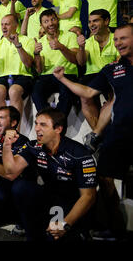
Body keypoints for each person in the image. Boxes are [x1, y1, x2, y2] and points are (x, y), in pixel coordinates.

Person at [53, 24, 133, 240]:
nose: (118, 43)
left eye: (124, 39)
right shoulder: (112, 69)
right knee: (105, 178)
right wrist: (63, 79)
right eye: (116, 40)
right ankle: (118, 231)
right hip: (120, 133)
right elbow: (88, 91)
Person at [1, 107, 97, 241]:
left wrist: (65, 224)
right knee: (20, 187)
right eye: (36, 124)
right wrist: (7, 145)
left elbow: (89, 197)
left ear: (58, 129)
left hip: (71, 205)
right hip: (48, 198)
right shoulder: (34, 147)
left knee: (54, 236)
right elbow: (11, 172)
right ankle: (32, 234)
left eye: (43, 125)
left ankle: (80, 232)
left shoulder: (79, 154)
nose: (37, 128)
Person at [0, 14, 35, 117]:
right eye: (2, 24)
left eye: (7, 24)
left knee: (14, 91)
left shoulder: (27, 40)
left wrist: (18, 45)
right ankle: (2, 129)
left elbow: (28, 64)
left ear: (16, 26)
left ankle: (15, 131)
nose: (3, 27)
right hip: (3, 77)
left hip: (23, 76)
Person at [76, 9, 119, 131]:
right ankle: (99, 135)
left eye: (95, 21)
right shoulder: (88, 42)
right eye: (89, 22)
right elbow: (81, 62)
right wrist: (81, 47)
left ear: (106, 21)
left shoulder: (116, 39)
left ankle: (101, 134)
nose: (91, 24)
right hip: (92, 77)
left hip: (111, 75)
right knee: (84, 97)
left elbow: (120, 60)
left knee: (113, 94)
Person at [31, 9, 79, 117]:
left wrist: (61, 47)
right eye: (46, 21)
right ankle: (49, 120)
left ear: (57, 20)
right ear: (41, 25)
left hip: (67, 73)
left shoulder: (70, 36)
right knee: (36, 93)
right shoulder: (40, 42)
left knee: (66, 94)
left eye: (53, 19)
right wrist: (36, 54)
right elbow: (39, 70)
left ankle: (58, 122)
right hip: (47, 76)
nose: (50, 23)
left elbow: (75, 60)